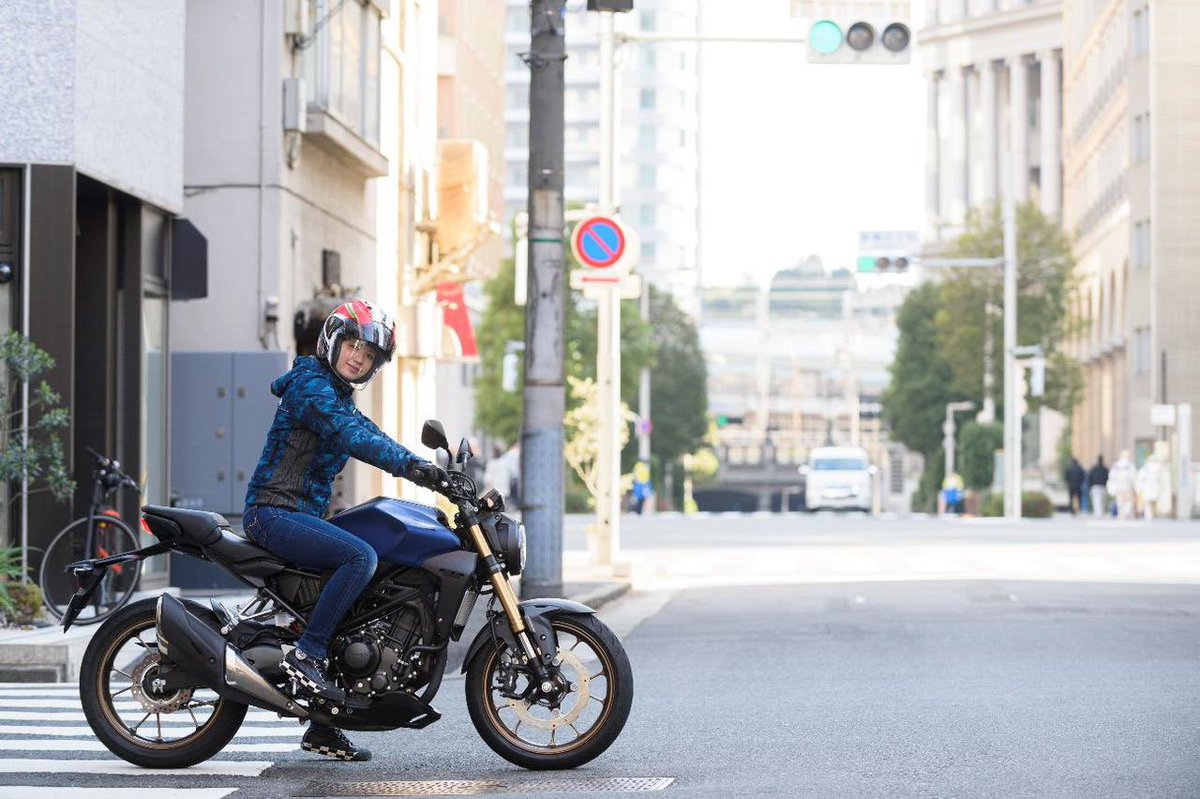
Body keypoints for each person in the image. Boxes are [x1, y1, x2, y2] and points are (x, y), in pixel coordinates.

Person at [242, 299, 450, 762]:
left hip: (302, 519)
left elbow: (372, 433)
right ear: (333, 341)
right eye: (354, 344)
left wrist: (431, 469)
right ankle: (307, 655)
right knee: (360, 557)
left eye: (369, 354)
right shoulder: (311, 387)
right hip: (272, 513)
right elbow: (354, 439)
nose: (359, 356)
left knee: (363, 595)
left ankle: (322, 726)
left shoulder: (338, 395)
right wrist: (415, 469)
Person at [1106, 450, 1137, 520]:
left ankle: (1122, 515)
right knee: (1128, 501)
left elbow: (1111, 476)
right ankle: (1125, 514)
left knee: (1120, 502)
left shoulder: (1116, 465)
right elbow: (1134, 477)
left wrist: (1112, 487)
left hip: (1119, 487)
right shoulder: (1130, 465)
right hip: (1127, 486)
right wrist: (1135, 486)